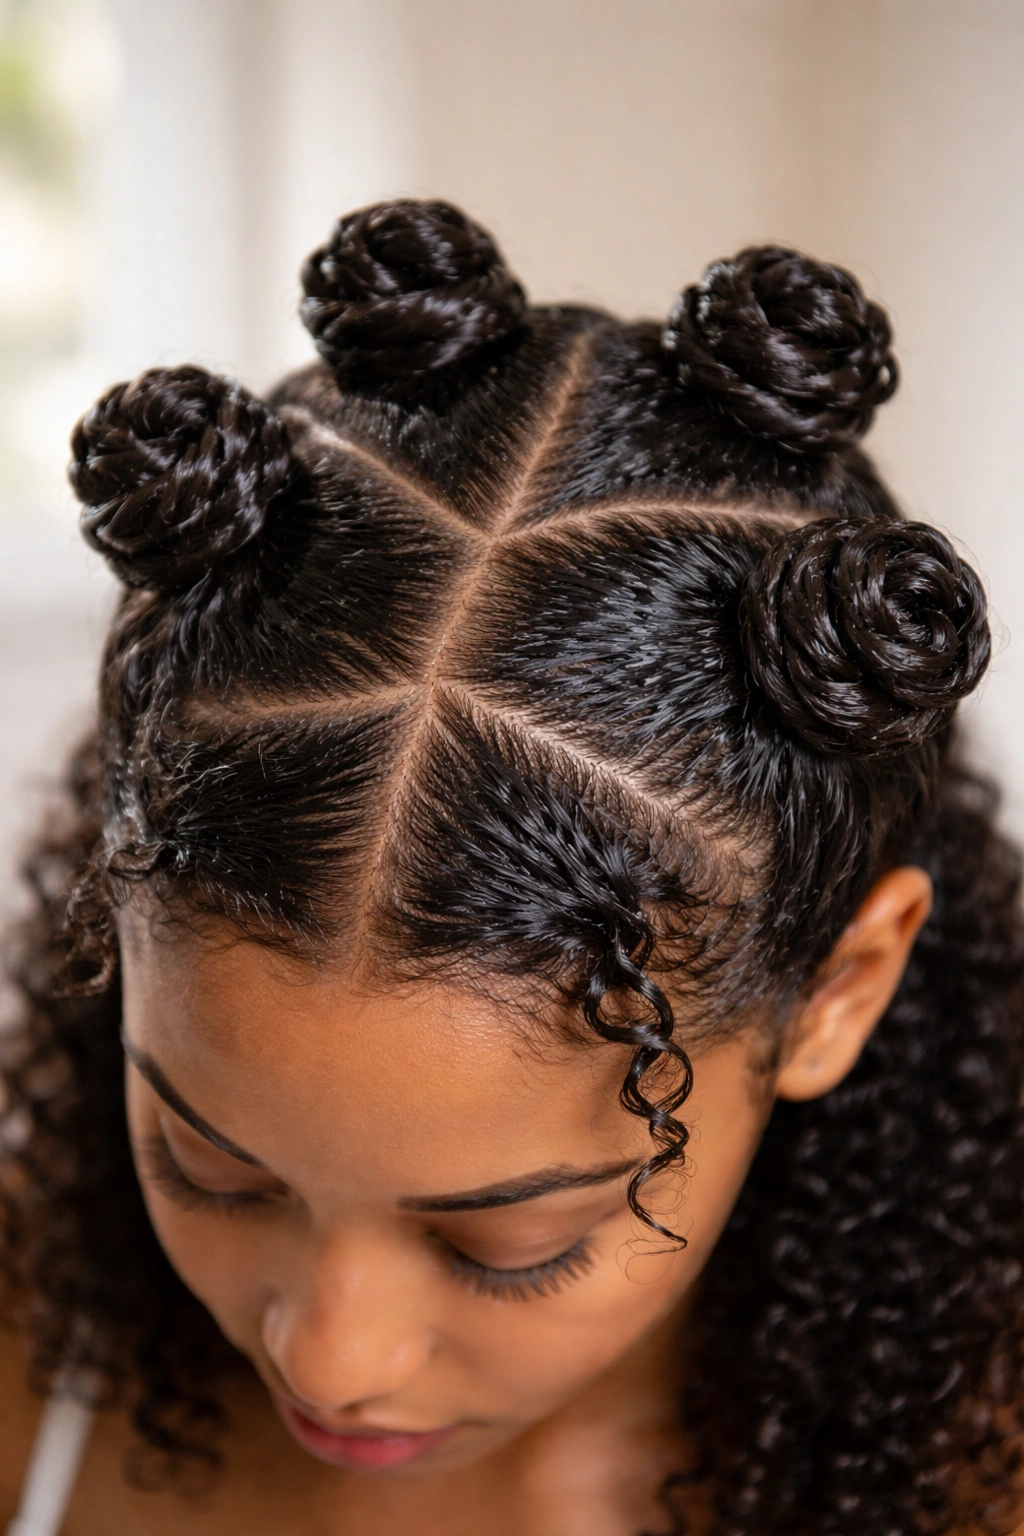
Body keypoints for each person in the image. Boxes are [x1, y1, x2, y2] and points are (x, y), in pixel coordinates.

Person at [0, 200, 1021, 1536]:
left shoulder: (978, 1472)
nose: (331, 1360)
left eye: (509, 1245)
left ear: (839, 990)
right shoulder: (27, 1368)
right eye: (210, 1168)